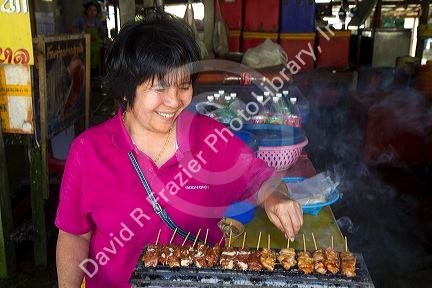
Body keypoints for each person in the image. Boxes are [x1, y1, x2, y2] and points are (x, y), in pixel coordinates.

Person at [56, 12, 303, 288]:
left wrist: (275, 197)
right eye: (160, 87)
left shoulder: (209, 138)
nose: (174, 101)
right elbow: (74, 235)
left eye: (184, 85)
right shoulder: (88, 152)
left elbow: (261, 179)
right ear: (126, 91)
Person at [72, 1, 106, 76]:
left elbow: (102, 34)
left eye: (94, 10)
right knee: (84, 70)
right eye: (90, 10)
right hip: (84, 50)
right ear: (86, 11)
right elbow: (72, 29)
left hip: (95, 51)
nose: (92, 12)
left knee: (95, 71)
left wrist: (101, 36)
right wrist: (81, 33)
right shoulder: (80, 20)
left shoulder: (98, 22)